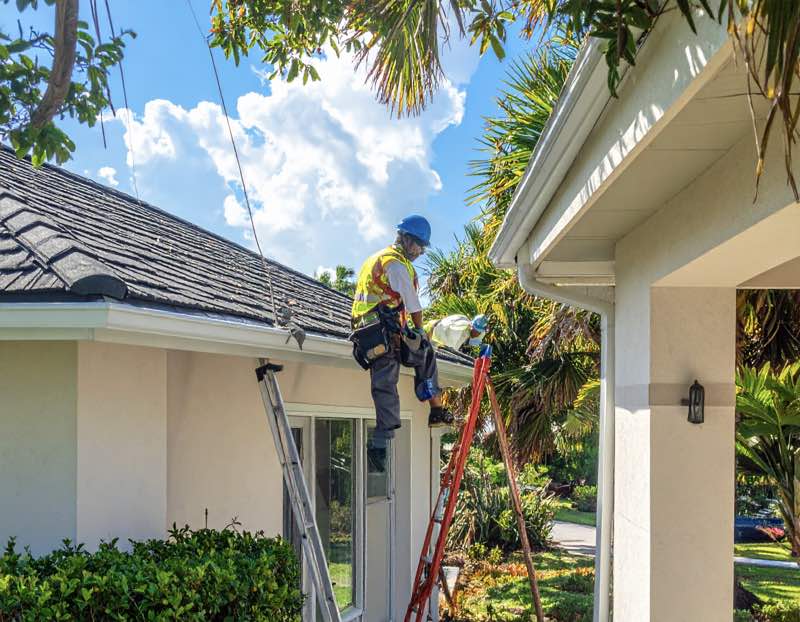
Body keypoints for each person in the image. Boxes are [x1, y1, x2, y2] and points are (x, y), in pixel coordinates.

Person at [350, 214, 453, 472]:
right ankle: (379, 447)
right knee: (386, 380)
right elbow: (412, 303)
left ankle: (436, 409)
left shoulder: (392, 261)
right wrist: (419, 330)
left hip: (383, 326)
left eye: (423, 246)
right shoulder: (394, 264)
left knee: (424, 353)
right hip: (375, 331)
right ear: (405, 239)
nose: (421, 251)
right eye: (418, 244)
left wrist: (418, 338)